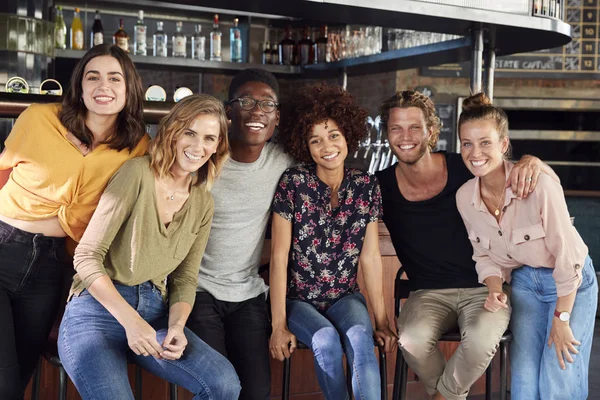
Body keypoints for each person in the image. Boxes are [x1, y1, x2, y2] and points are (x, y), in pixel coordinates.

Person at [375, 90, 560, 400]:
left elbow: (516, 171)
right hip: (427, 293)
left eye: (415, 127)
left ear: (431, 132)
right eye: (396, 128)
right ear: (387, 134)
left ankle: (442, 396)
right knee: (412, 339)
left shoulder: (464, 166)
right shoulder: (380, 186)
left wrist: (533, 161)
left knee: (478, 339)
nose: (405, 136)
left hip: (485, 288)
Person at [57, 94, 240, 400]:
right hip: (97, 311)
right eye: (190, 133)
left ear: (218, 146)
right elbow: (87, 256)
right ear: (172, 131)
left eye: (209, 138)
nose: (198, 147)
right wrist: (132, 322)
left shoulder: (203, 203)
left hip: (155, 312)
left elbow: (184, 279)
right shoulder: (137, 174)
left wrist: (177, 327)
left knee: (224, 384)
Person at [0, 44, 149, 399]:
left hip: (55, 267)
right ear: (79, 87)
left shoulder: (137, 145)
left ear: (129, 89)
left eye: (115, 78)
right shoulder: (38, 119)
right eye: (92, 76)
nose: (103, 85)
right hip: (4, 245)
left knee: (20, 373)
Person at [455, 93, 598, 400]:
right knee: (523, 383)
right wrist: (494, 287)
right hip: (524, 284)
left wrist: (562, 319)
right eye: (467, 143)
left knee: (557, 378)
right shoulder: (465, 197)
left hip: (571, 283)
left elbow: (569, 256)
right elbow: (484, 255)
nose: (475, 152)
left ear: (503, 145)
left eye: (485, 143)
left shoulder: (538, 184)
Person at [269, 83, 397, 400]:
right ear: (305, 146)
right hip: (298, 301)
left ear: (348, 136)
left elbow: (369, 258)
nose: (327, 146)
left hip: (345, 297)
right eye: (316, 140)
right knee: (325, 339)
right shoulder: (293, 182)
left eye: (334, 135)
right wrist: (278, 325)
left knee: (360, 340)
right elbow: (279, 257)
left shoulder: (366, 184)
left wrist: (382, 321)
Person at [185, 68, 294, 399]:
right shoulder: (203, 156)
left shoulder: (284, 162)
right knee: (218, 386)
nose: (257, 110)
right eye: (246, 101)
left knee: (257, 392)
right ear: (228, 112)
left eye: (267, 104)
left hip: (247, 295)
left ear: (277, 117)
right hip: (198, 291)